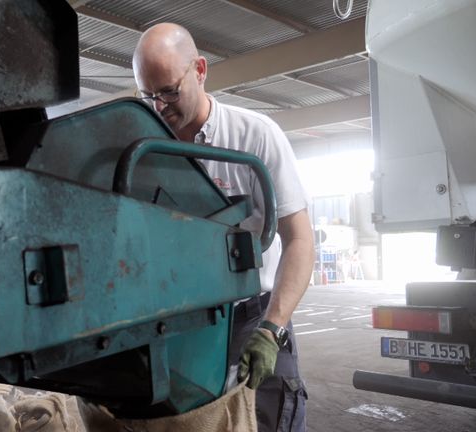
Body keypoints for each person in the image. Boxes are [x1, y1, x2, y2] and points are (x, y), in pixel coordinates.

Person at [132, 23, 315, 431]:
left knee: (271, 415)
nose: (159, 106)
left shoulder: (255, 136)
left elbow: (300, 241)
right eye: (147, 95)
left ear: (199, 69)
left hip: (253, 314)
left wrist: (272, 328)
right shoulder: (143, 150)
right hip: (181, 320)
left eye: (168, 91)